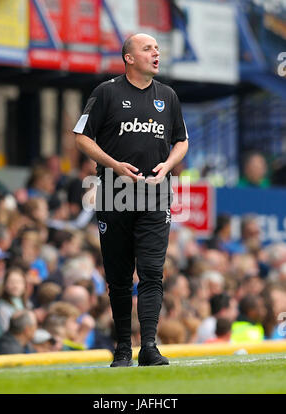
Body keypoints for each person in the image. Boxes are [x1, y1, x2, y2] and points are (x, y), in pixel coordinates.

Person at [73, 33, 189, 367]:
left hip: (155, 192)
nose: (157, 52)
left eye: (157, 48)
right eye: (148, 48)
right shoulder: (106, 92)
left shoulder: (167, 96)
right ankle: (123, 347)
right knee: (119, 275)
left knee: (152, 271)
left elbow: (181, 141)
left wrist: (167, 166)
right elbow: (81, 136)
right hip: (114, 191)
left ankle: (149, 346)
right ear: (129, 58)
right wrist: (114, 165)